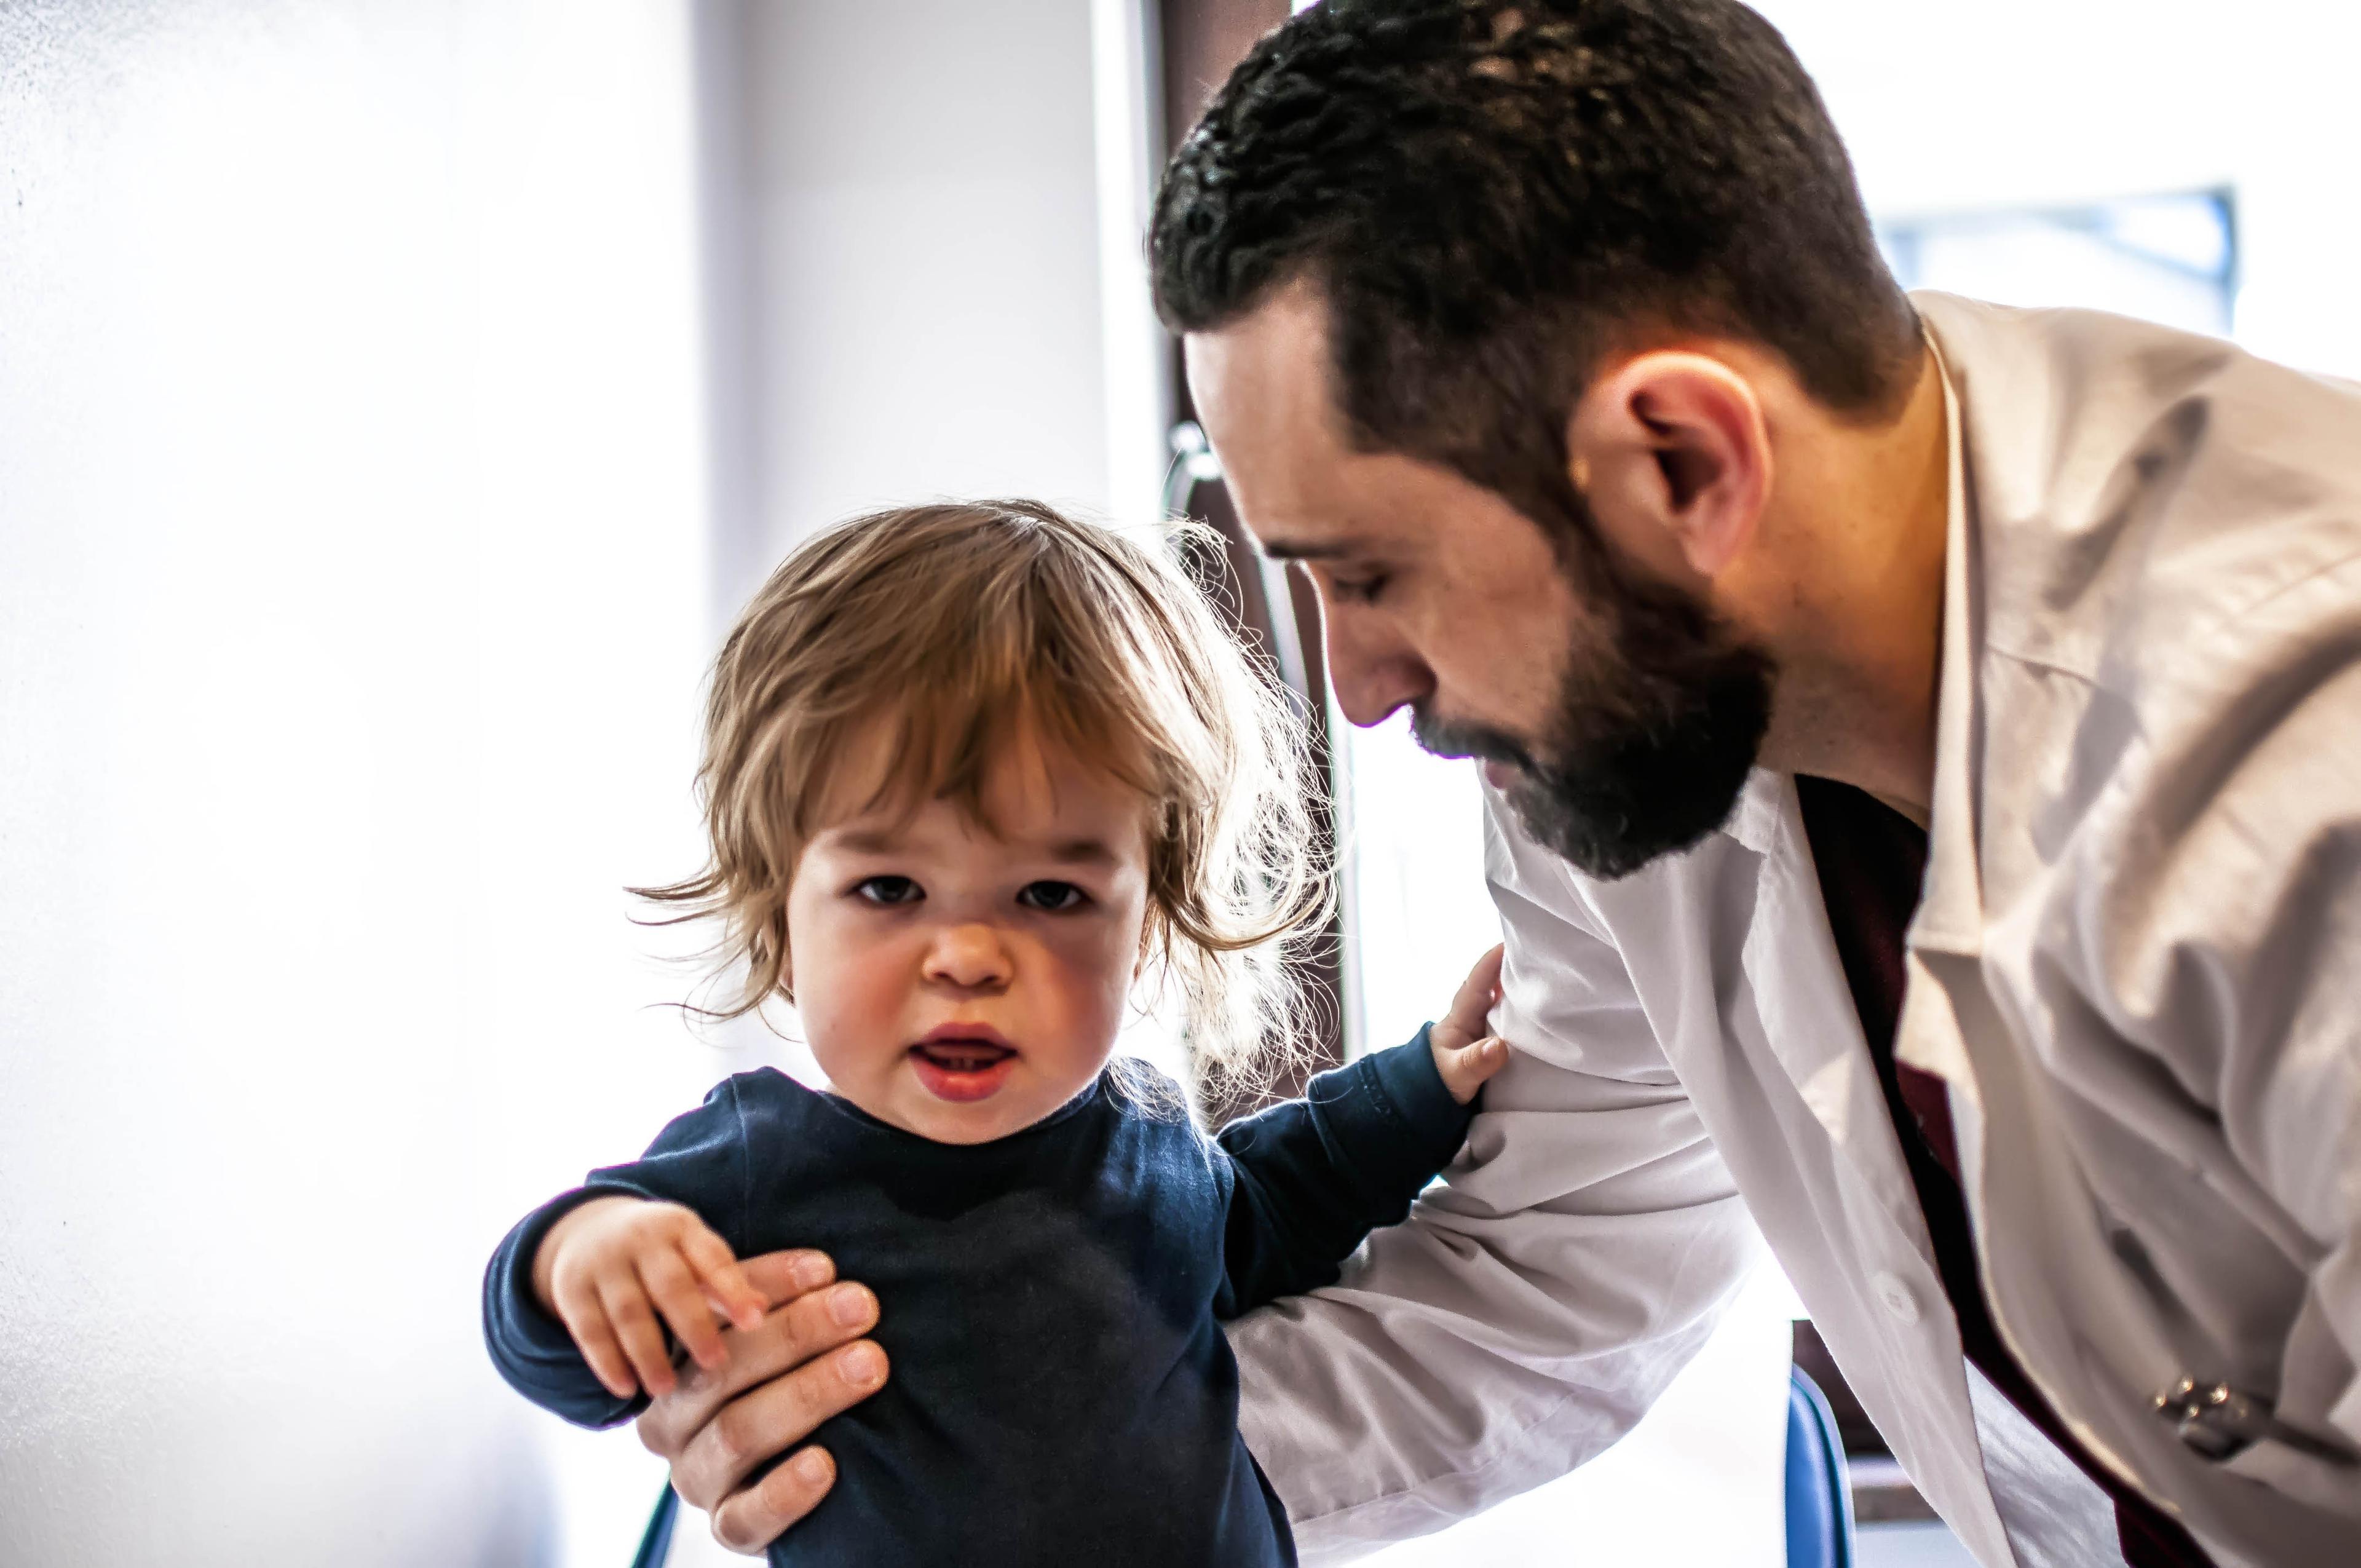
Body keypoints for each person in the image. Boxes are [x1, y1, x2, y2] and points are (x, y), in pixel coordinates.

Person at [622, 4, 2361, 1566]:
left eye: (1371, 574)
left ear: (1679, 456)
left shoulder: (2303, 756)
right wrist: (963, 1443)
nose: (1364, 690)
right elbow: (1555, 1274)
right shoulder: (1630, 699)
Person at [479, 501, 1509, 1566]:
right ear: (783, 917)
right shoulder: (763, 1165)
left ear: (1144, 925)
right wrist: (577, 1258)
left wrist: (1423, 1085)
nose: (968, 954)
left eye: (1051, 895)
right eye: (891, 886)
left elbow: (1272, 1209)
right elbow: (562, 1353)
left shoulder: (1150, 1139)